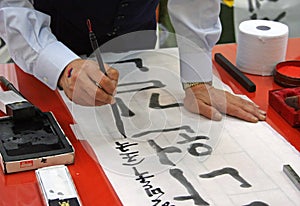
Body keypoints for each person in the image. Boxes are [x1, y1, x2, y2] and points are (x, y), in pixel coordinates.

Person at [0, 0, 266, 122]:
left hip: (138, 49)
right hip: (47, 49)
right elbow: (10, 7)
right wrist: (60, 66)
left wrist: (197, 79)